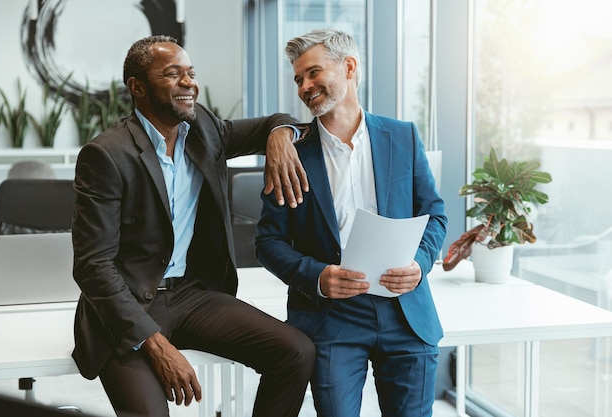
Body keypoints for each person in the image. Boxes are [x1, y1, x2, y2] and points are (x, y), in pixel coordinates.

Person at [71, 35, 315, 417]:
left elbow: (276, 121)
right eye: (173, 74)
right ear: (137, 87)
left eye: (191, 73)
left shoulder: (205, 129)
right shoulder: (106, 155)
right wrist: (153, 341)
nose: (189, 83)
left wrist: (280, 138)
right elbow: (93, 267)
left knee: (297, 352)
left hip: (192, 295)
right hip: (128, 305)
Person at [255, 29, 447, 417]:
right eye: (297, 79)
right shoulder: (290, 154)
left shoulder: (403, 135)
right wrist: (317, 276)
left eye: (312, 73)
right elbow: (268, 241)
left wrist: (420, 265)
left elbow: (436, 215)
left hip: (406, 312)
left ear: (349, 67)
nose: (305, 86)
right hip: (333, 320)